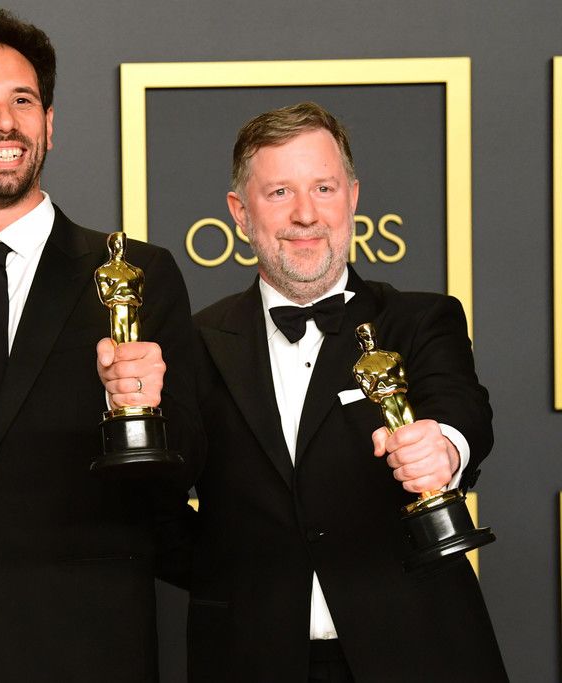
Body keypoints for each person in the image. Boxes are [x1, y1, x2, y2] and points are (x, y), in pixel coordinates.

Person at [0, 9, 202, 682]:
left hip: (85, 647)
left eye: (22, 101)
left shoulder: (136, 274)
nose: (4, 123)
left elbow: (189, 462)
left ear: (49, 123)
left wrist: (150, 409)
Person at [184, 101, 507, 681]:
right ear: (240, 212)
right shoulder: (196, 340)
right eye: (279, 192)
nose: (306, 214)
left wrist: (443, 448)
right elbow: (157, 500)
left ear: (352, 198)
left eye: (324, 188)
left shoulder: (421, 319)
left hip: (417, 652)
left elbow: (462, 410)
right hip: (249, 657)